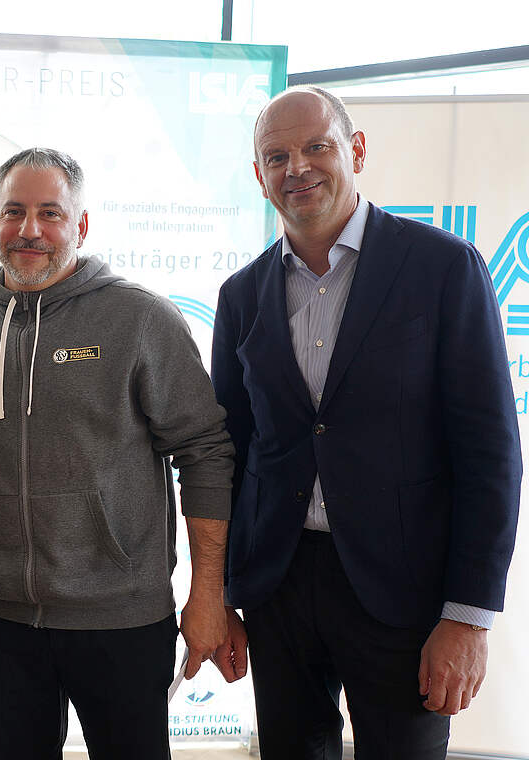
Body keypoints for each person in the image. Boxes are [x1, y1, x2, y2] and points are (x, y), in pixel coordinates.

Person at [211, 86, 521, 759]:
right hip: (279, 586)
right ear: (259, 174)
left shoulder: (442, 268)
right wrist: (222, 595)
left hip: (405, 593)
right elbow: (230, 453)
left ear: (354, 150)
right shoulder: (240, 296)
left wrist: (467, 618)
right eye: (276, 156)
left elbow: (490, 452)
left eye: (315, 146)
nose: (297, 168)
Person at [0, 147, 242, 760]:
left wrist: (207, 595)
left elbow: (205, 452)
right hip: (1, 621)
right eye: (13, 212)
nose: (30, 230)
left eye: (50, 213)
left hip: (122, 620)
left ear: (82, 224)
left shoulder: (139, 317)